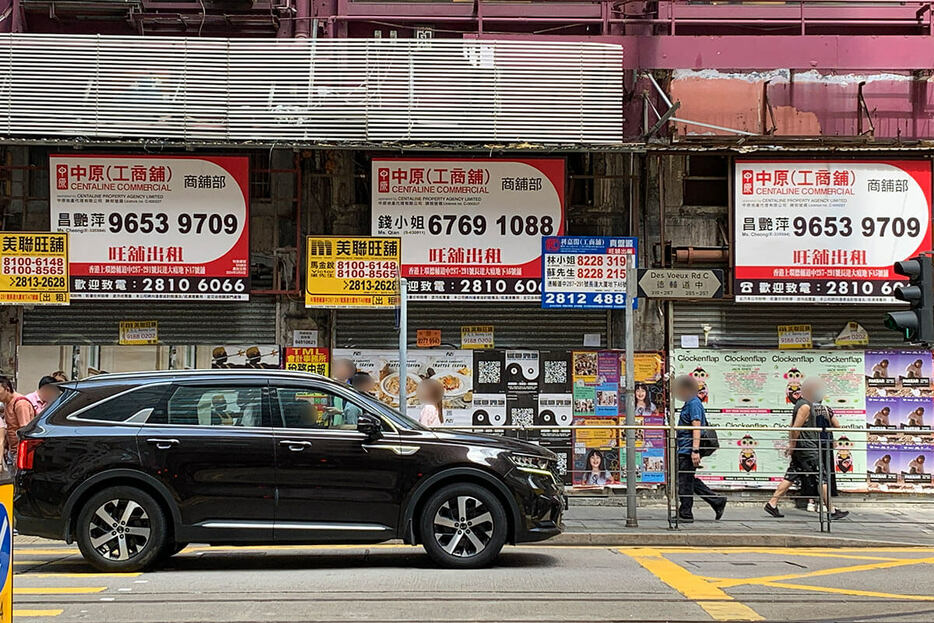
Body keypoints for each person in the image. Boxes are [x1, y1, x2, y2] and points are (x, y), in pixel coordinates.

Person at [765, 378, 848, 520]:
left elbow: (792, 426)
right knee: (821, 476)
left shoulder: (801, 405)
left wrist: (793, 446)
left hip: (802, 448)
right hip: (807, 448)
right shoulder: (805, 407)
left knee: (792, 475)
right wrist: (792, 446)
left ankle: (772, 503)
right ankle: (832, 510)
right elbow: (795, 428)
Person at [673, 375, 726, 523]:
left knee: (685, 481)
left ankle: (686, 513)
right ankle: (716, 501)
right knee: (687, 479)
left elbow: (697, 426)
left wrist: (695, 451)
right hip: (686, 447)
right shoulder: (691, 402)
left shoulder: (693, 403)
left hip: (688, 448)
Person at [0, 375, 37, 467]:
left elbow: (24, 429)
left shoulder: (20, 404)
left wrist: (20, 454)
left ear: (7, 389)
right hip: (12, 449)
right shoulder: (6, 403)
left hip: (19, 450)